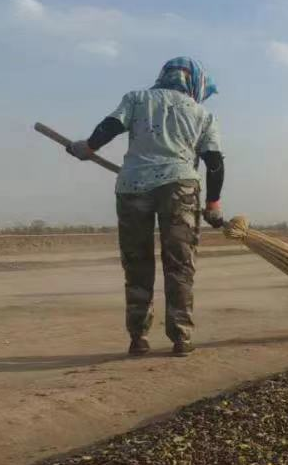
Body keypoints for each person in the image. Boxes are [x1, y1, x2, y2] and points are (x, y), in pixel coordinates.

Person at [67, 57, 224, 356]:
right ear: (195, 82)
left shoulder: (137, 99)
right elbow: (214, 162)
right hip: (180, 188)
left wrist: (86, 148)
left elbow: (110, 126)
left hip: (133, 186)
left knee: (137, 263)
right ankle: (181, 338)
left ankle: (138, 338)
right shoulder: (202, 113)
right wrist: (213, 204)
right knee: (180, 263)